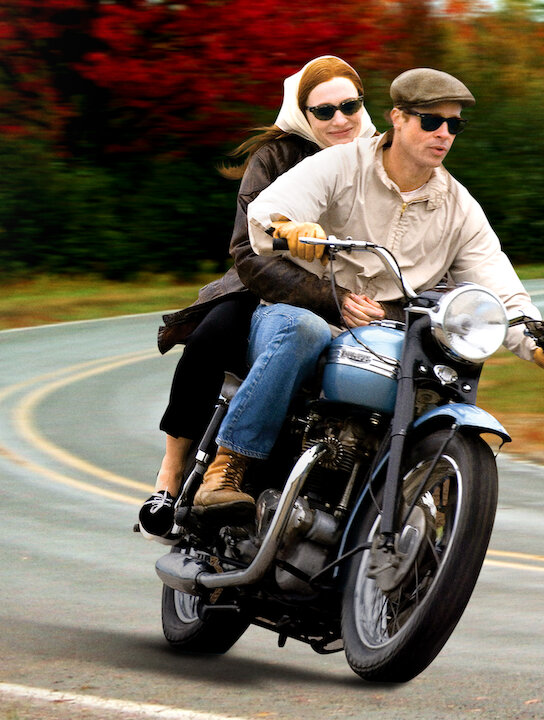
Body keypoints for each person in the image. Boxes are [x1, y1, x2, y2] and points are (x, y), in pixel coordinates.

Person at [192, 67, 544, 514]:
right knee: (303, 329)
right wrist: (290, 228)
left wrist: (536, 340)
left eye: (455, 124)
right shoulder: (341, 164)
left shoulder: (459, 207)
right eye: (431, 121)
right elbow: (268, 211)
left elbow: (497, 283)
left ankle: (429, 499)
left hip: (390, 330)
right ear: (398, 118)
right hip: (304, 311)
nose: (444, 133)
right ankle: (229, 468)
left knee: (447, 361)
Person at [138, 56, 377, 541]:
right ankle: (171, 474)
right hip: (265, 284)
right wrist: (328, 299)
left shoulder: (384, 159)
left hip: (359, 298)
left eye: (348, 105)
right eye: (324, 111)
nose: (339, 119)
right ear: (303, 114)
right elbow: (248, 251)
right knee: (212, 336)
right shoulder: (276, 156)